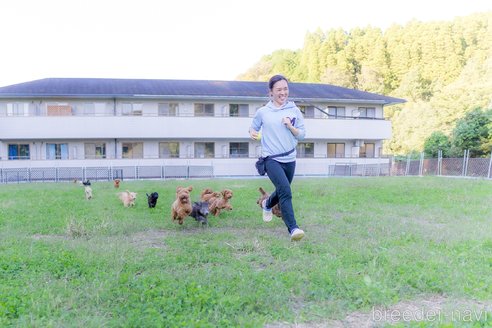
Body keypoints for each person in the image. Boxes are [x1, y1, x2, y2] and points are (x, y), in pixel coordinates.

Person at [249, 74, 306, 241]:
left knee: (282, 189)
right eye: (279, 89)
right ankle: (293, 229)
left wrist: (290, 126)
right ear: (271, 92)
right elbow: (253, 128)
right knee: (286, 192)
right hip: (271, 159)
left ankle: (267, 204)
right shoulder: (263, 112)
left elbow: (302, 135)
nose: (283, 92)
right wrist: (252, 133)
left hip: (290, 158)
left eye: (285, 89)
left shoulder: (294, 110)